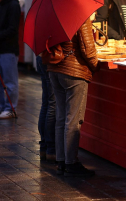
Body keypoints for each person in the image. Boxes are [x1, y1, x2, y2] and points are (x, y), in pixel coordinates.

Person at [47, 12, 99, 177]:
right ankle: (71, 162)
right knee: (73, 120)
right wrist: (95, 66)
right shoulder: (80, 14)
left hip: (55, 69)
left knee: (62, 117)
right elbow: (87, 48)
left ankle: (61, 160)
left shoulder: (53, 14)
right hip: (74, 71)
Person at [36, 52, 56, 161]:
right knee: (53, 104)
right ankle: (51, 149)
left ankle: (44, 147)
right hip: (50, 59)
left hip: (41, 57)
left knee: (47, 104)